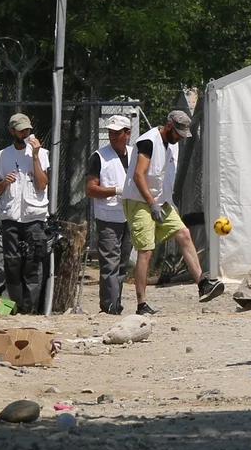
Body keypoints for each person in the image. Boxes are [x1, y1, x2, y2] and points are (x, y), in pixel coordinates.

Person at [125, 109, 225, 314]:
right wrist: (151, 203)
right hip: (139, 201)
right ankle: (141, 304)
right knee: (146, 251)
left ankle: (203, 285)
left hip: (162, 202)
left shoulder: (172, 145)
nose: (180, 137)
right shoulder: (148, 142)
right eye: (178, 132)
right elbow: (138, 175)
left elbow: (164, 176)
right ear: (168, 125)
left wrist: (167, 202)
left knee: (184, 234)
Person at [0, 112, 51, 313]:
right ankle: (15, 307)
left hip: (34, 216)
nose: (26, 133)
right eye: (21, 130)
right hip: (11, 216)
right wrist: (4, 182)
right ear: (12, 131)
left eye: (28, 130)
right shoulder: (2, 155)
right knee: (13, 262)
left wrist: (34, 157)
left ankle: (30, 309)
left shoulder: (41, 153)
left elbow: (42, 184)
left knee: (32, 263)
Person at [84, 114, 136, 314]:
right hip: (108, 217)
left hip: (129, 216)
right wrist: (115, 190)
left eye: (117, 133)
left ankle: (116, 303)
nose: (113, 137)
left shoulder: (135, 154)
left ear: (127, 134)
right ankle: (109, 306)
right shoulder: (99, 157)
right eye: (110, 133)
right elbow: (90, 189)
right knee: (110, 264)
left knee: (122, 263)